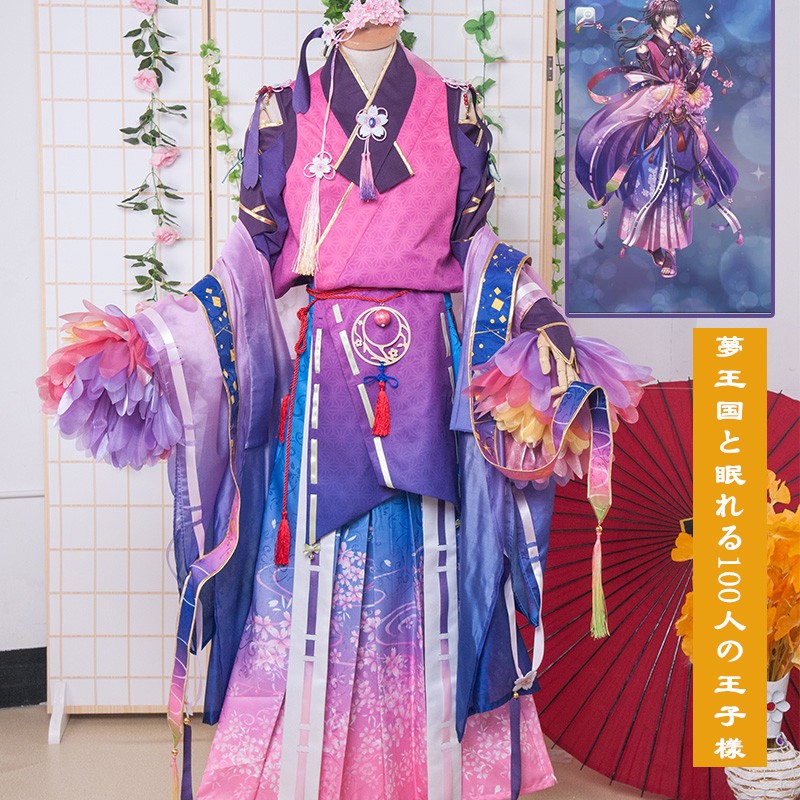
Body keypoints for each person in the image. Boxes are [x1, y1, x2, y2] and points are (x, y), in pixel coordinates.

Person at [37, 2, 651, 798]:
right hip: (325, 374)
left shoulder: (453, 108)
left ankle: (432, 765)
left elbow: (477, 250)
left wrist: (536, 317)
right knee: (314, 554)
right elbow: (247, 261)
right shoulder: (281, 114)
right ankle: (301, 764)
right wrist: (159, 334)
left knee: (431, 553)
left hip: (426, 366)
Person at [574, 0, 741, 279]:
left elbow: (689, 86)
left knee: (679, 183)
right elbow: (650, 86)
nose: (674, 21)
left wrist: (704, 62)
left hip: (680, 126)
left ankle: (670, 248)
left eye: (675, 16)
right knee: (650, 182)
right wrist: (668, 95)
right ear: (657, 18)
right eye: (668, 16)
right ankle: (653, 244)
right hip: (656, 126)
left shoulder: (681, 49)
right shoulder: (646, 48)